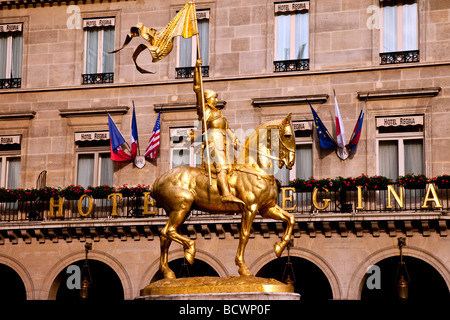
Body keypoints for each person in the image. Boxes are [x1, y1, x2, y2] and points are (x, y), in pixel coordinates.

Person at [194, 59, 244, 205]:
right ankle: (225, 194)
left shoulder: (220, 114)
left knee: (231, 168)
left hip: (224, 141)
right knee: (221, 166)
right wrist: (197, 70)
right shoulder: (204, 110)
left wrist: (234, 139)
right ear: (208, 99)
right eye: (214, 97)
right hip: (213, 140)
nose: (216, 100)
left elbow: (227, 128)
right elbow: (197, 88)